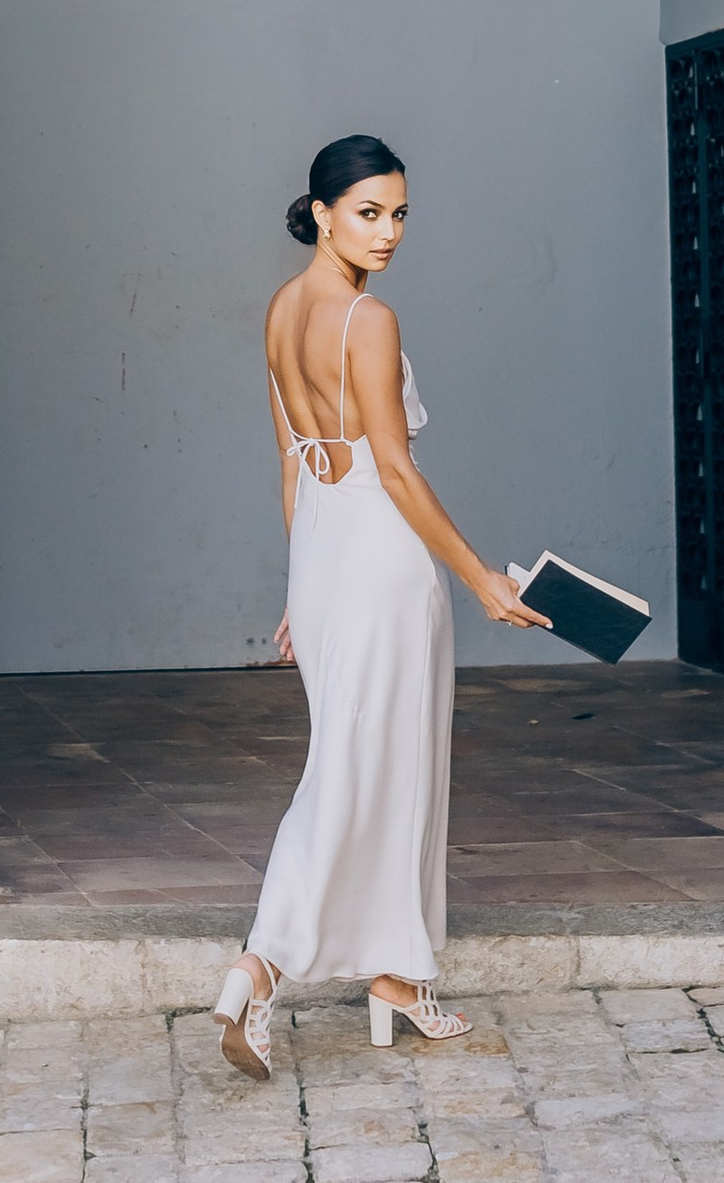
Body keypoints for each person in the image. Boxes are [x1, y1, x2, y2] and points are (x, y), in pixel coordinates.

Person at [211, 134, 544, 1080]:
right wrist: (484, 579)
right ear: (320, 212)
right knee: (367, 769)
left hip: (324, 554)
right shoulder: (367, 318)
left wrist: (296, 583)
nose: (388, 231)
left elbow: (292, 458)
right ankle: (260, 965)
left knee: (372, 762)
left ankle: (398, 980)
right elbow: (394, 469)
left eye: (399, 213)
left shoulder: (281, 310)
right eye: (368, 211)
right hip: (383, 560)